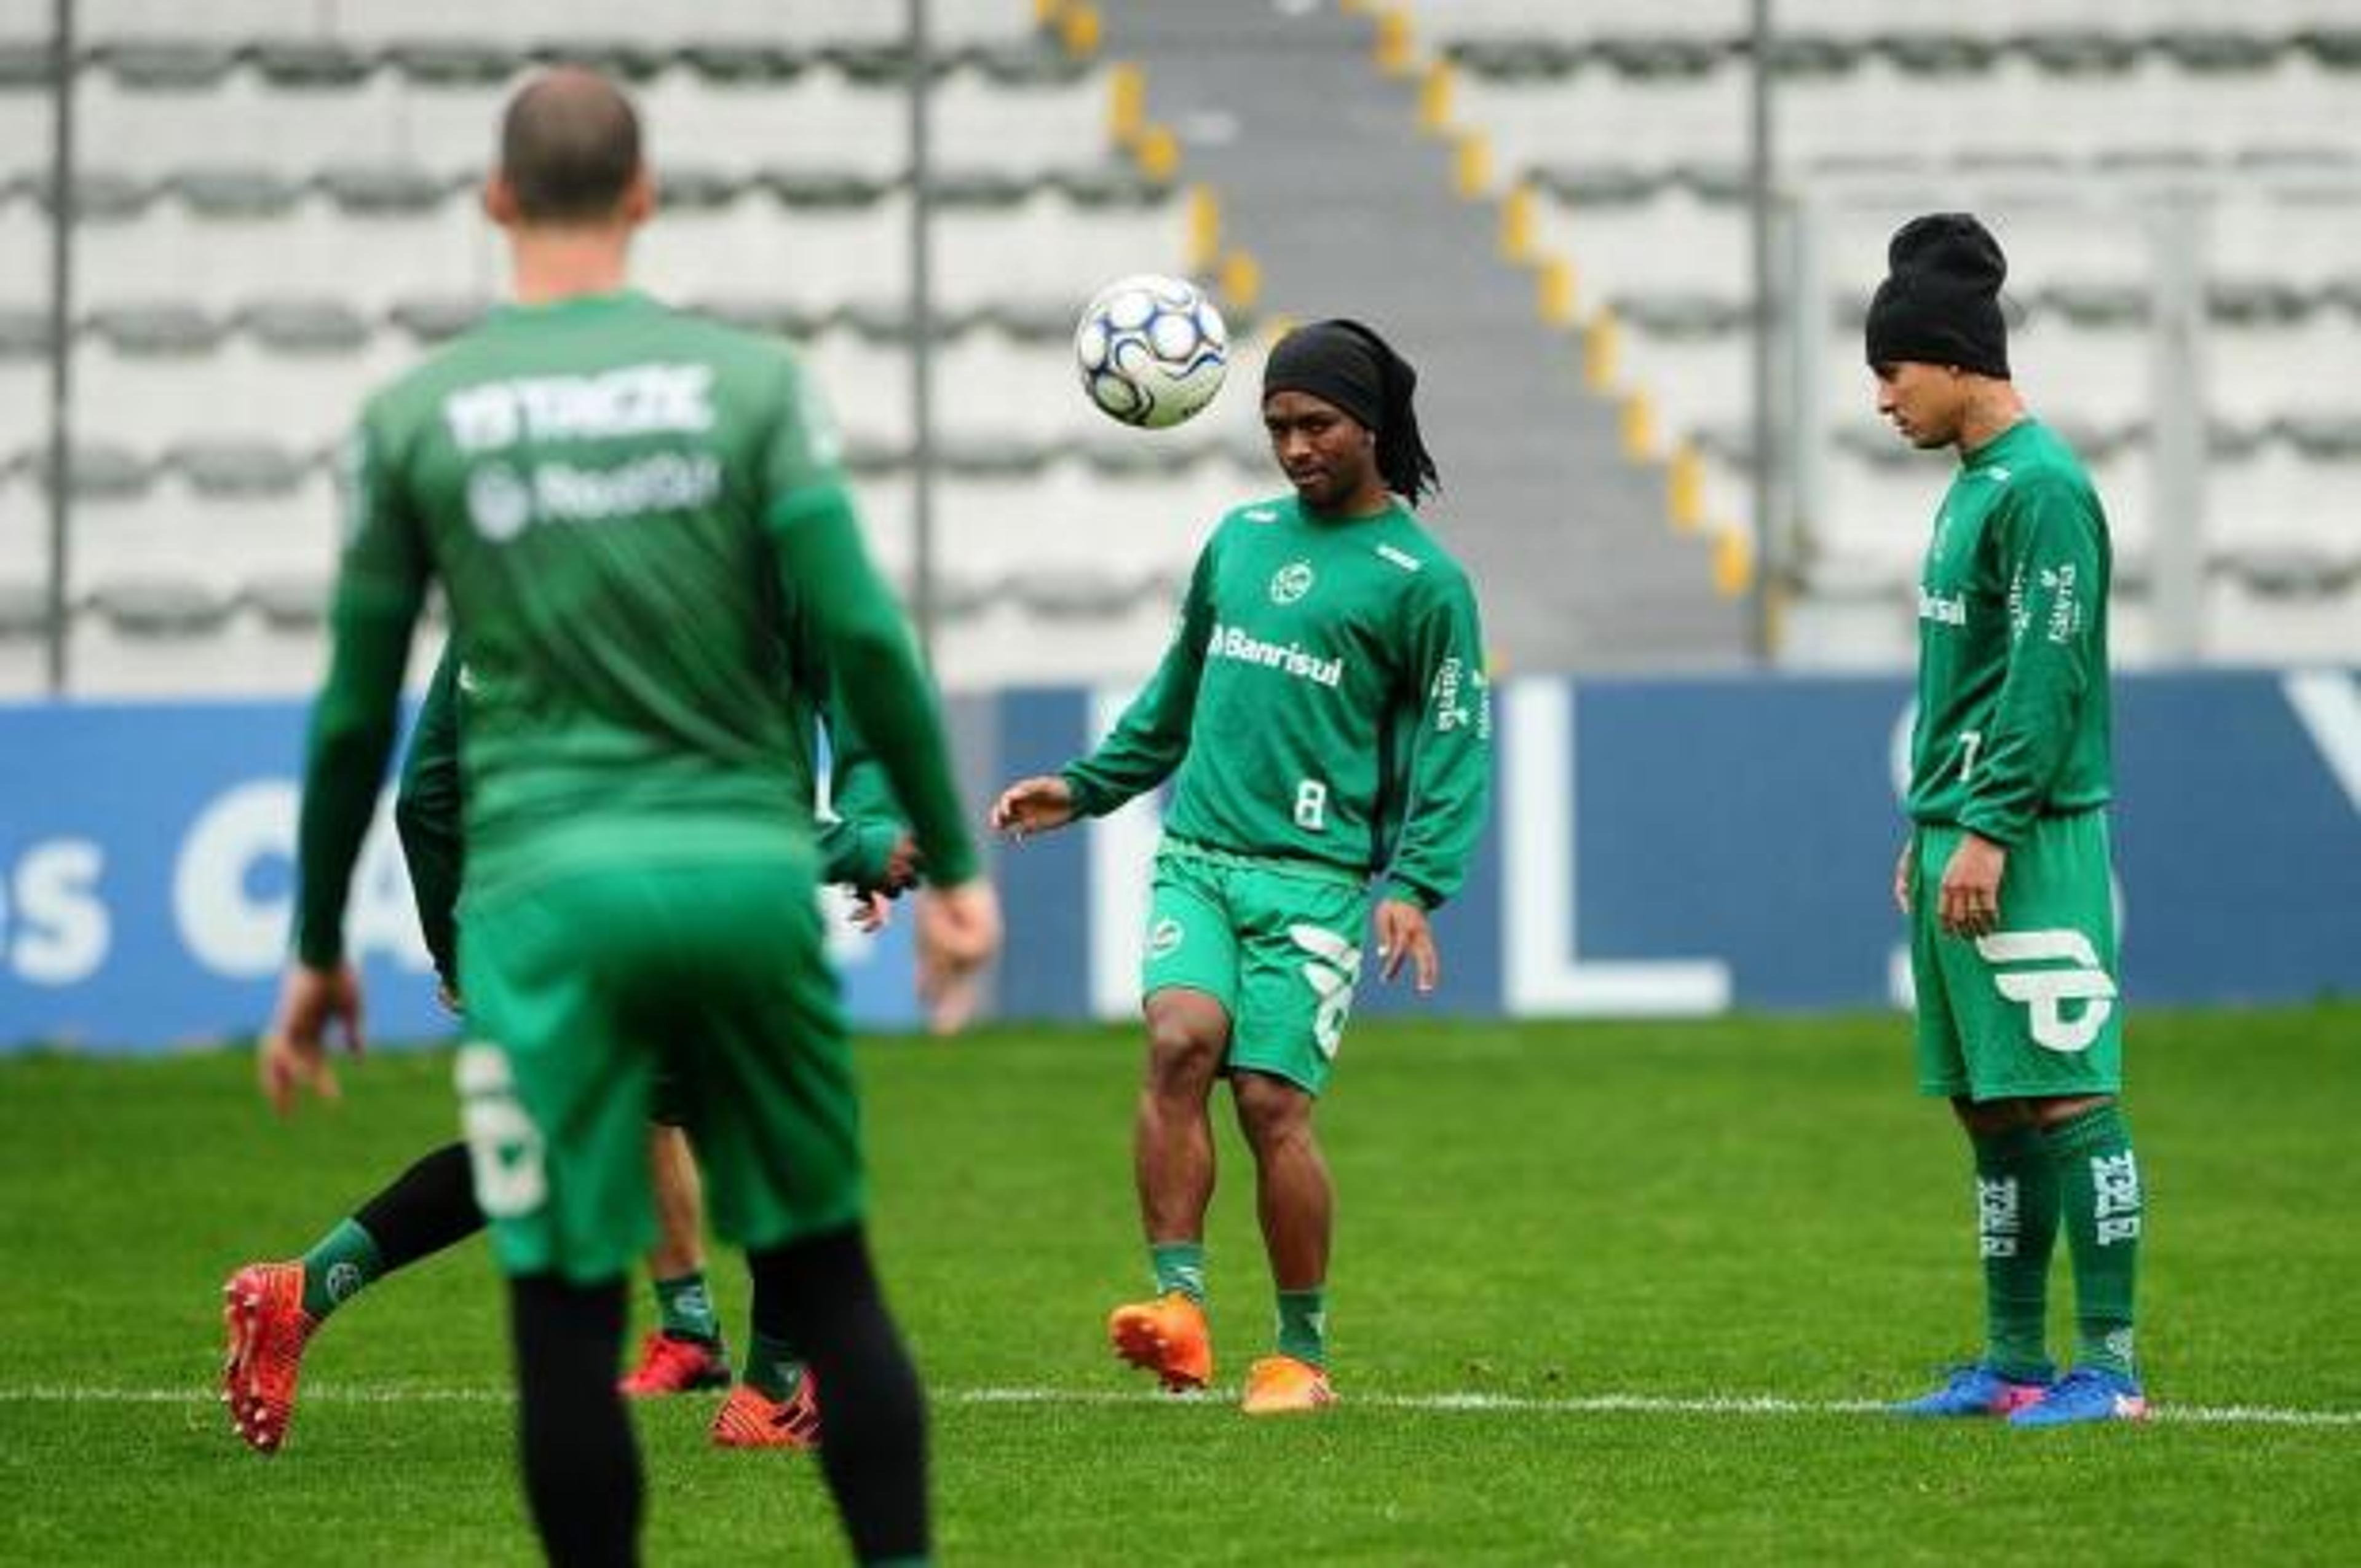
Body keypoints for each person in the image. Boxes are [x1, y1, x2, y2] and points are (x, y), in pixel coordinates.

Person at [256, 66, 1001, 1568]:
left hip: (547, 903)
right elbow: (862, 634)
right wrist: (955, 862)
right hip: (738, 880)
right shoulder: (751, 388)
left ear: (497, 204)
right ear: (646, 196)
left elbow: (359, 720)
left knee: (558, 1319)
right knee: (832, 1283)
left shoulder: (421, 413)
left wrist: (323, 941)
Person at [222, 640, 917, 1457]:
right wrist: (858, 844)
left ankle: (305, 1289)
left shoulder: (509, 585)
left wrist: (456, 951)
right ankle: (774, 1390)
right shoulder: (701, 564)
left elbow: (424, 795)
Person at [991, 320, 1490, 1415]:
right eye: (1277, 427)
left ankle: (1300, 1356)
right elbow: (1176, 695)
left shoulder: (1426, 584)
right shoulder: (1239, 541)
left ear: (1371, 425)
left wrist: (1415, 884)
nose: (1297, 446)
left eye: (1317, 424)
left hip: (1313, 879)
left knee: (1269, 1103)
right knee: (1178, 1044)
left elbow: (1456, 747)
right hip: (1200, 858)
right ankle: (1178, 1311)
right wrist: (1084, 786)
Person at [1869, 213, 2148, 1427]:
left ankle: (2115, 1367)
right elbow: (1972, 686)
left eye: (1893, 371)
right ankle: (2015, 1360)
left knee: (2065, 1093)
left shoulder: (2041, 490)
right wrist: (1929, 824)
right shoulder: (1975, 488)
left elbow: (2047, 677)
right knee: (1987, 1103)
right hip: (1961, 827)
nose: (1883, 399)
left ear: (1955, 358)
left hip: (2027, 837)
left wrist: (1984, 827)